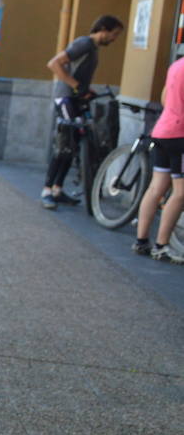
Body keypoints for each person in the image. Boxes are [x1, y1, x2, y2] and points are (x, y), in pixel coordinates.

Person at [41, 15, 123, 210]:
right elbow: (54, 64)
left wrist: (85, 89)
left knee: (74, 144)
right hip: (66, 98)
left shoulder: (92, 48)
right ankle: (46, 191)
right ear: (103, 28)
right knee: (63, 145)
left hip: (76, 98)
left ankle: (58, 189)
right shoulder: (84, 43)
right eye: (114, 34)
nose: (114, 39)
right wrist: (76, 86)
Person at [133, 53, 184, 263]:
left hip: (162, 130)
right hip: (181, 135)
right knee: (180, 193)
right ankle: (161, 247)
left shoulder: (176, 65)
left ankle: (141, 241)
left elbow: (164, 97)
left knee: (156, 188)